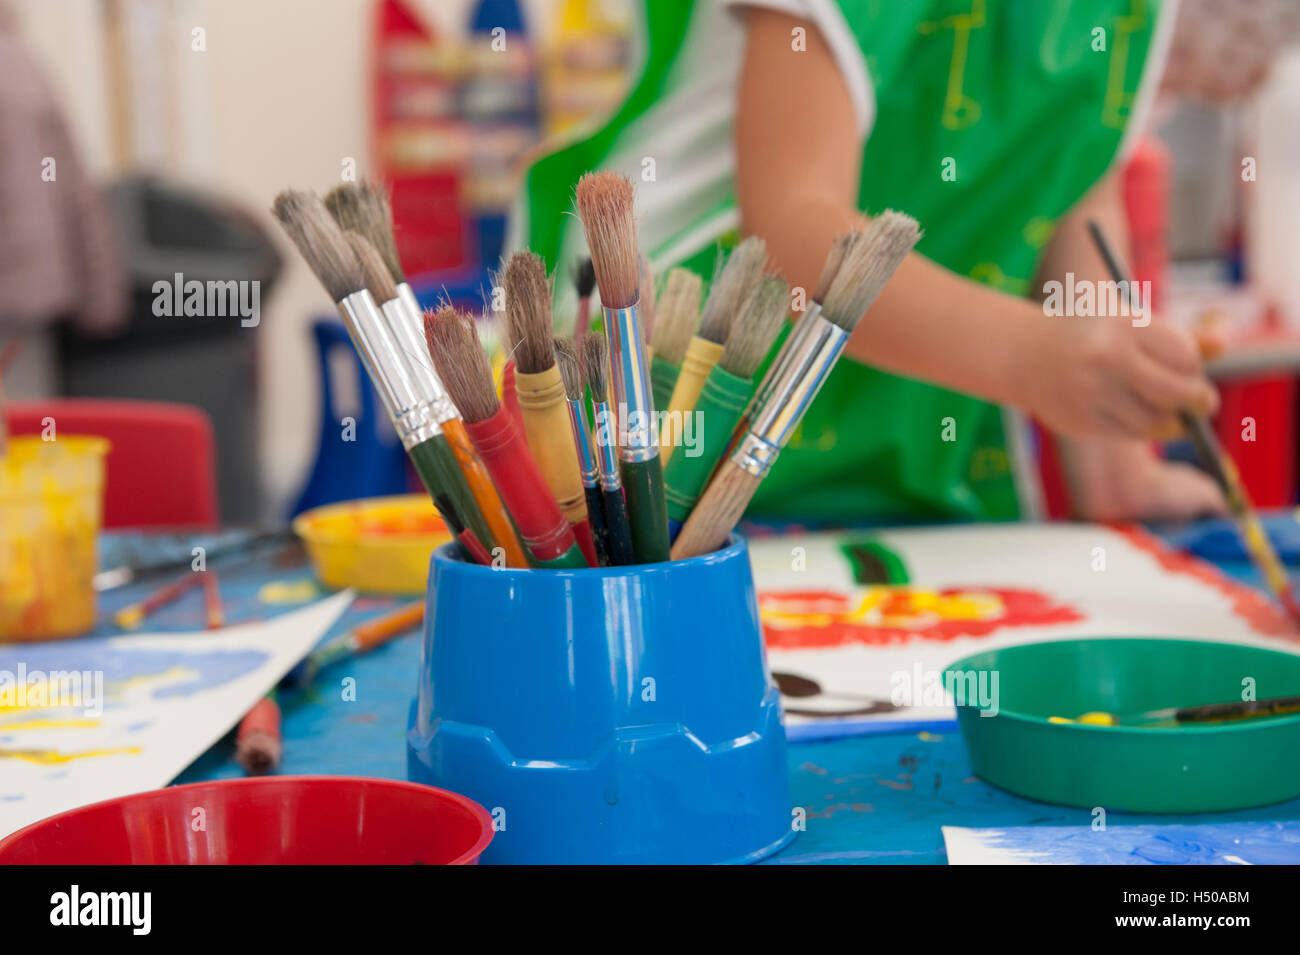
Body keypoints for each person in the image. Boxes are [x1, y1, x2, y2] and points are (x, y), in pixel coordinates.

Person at [511, 0, 1280, 524]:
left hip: (904, 459)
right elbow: (796, 236)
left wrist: (1118, 456)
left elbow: (1076, 174)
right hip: (669, 414)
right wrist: (1036, 355)